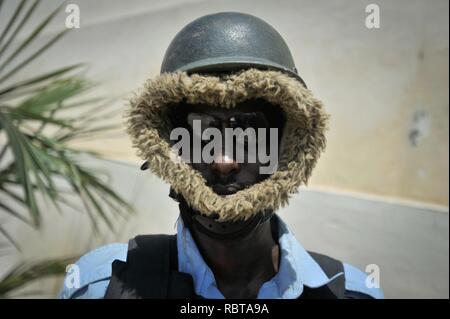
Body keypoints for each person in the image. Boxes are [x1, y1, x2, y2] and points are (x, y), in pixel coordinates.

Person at [59, 12, 383, 299]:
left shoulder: (353, 293)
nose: (224, 162)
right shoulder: (100, 286)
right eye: (202, 134)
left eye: (250, 132)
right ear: (168, 149)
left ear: (287, 150)